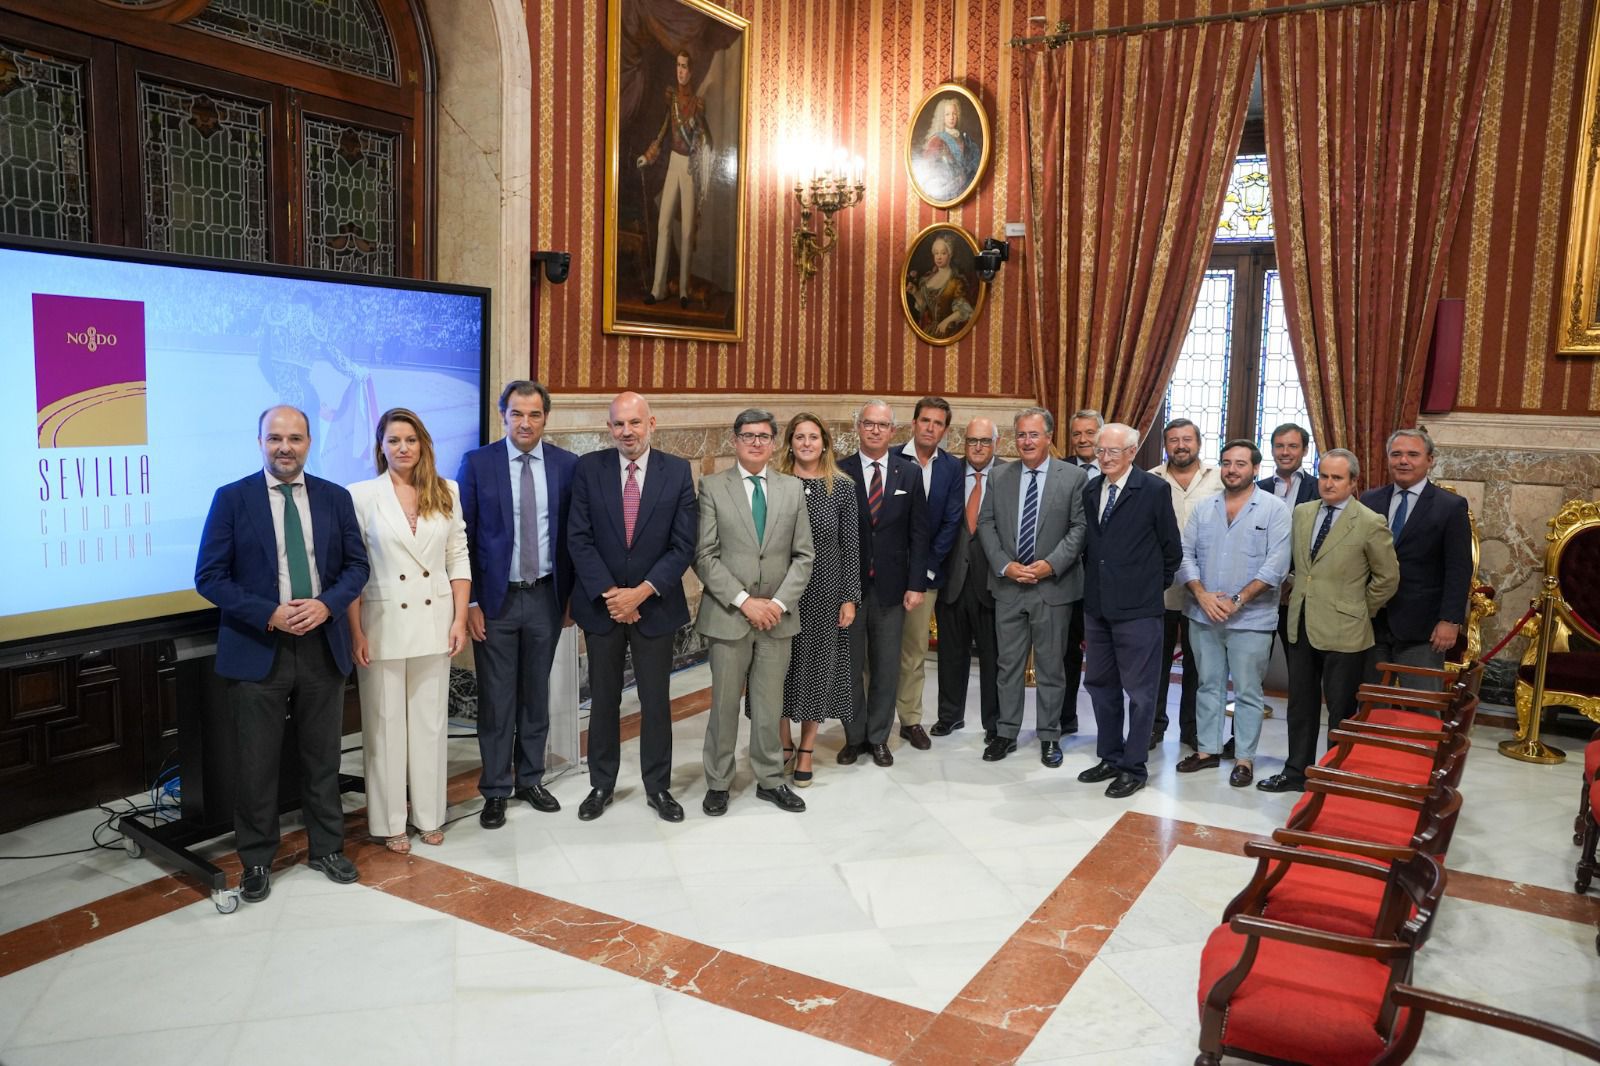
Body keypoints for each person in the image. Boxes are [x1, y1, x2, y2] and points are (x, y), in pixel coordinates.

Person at [194, 405, 369, 904]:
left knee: (322, 758)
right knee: (255, 765)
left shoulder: (335, 498)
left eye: (294, 438)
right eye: (275, 438)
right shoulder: (231, 499)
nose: (285, 447)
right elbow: (209, 577)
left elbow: (357, 567)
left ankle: (327, 849)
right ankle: (255, 860)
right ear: (260, 443)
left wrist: (327, 605)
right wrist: (268, 612)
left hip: (321, 645)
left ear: (309, 443)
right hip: (258, 647)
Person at [568, 392, 698, 820]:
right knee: (603, 700)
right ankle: (600, 785)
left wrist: (640, 592)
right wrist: (613, 595)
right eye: (619, 424)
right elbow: (579, 539)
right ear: (609, 428)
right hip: (603, 608)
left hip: (654, 607)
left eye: (635, 422)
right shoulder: (588, 469)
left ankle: (658, 787)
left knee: (655, 700)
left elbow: (682, 545)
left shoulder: (676, 471)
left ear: (651, 424)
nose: (627, 431)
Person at [346, 409, 471, 851]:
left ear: (423, 445)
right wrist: (356, 631)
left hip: (435, 619)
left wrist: (459, 618)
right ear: (381, 446)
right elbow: (353, 568)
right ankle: (389, 822)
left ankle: (430, 815)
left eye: (411, 440)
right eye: (394, 440)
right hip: (382, 622)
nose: (403, 448)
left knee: (430, 723)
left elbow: (458, 557)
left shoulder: (447, 490)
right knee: (384, 726)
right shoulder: (361, 495)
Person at [456, 381, 577, 830]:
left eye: (534, 414)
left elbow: (573, 538)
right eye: (517, 414)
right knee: (496, 699)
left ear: (546, 418)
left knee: (535, 695)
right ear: (502, 415)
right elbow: (463, 537)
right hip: (496, 602)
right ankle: (495, 789)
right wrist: (470, 602)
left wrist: (570, 598)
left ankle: (530, 779)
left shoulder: (566, 465)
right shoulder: (478, 463)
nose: (525, 423)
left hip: (546, 597)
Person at [1258, 449, 1399, 793]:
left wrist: (1360, 608)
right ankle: (1296, 772)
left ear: (1353, 482)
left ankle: (1334, 777)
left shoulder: (1370, 521)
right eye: (1324, 476)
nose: (1328, 483)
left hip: (1346, 629)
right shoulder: (1303, 512)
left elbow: (1388, 578)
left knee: (1341, 709)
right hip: (1301, 623)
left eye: (1337, 478)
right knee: (1300, 705)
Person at [694, 410, 814, 816]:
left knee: (768, 706)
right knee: (724, 706)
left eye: (764, 436)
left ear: (774, 442)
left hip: (778, 618)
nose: (756, 443)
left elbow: (804, 556)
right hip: (729, 616)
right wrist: (745, 601)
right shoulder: (713, 486)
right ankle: (718, 782)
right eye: (748, 435)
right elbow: (704, 555)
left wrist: (776, 604)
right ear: (735, 440)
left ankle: (771, 779)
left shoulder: (792, 489)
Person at [1174, 440, 1291, 788]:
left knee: (1248, 691)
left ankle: (1244, 759)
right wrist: (1202, 595)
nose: (1232, 470)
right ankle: (1207, 751)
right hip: (1203, 614)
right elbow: (1184, 555)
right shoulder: (1204, 508)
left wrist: (1237, 600)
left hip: (1252, 619)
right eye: (1226, 463)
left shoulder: (1273, 509)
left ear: (1255, 468)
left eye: (1240, 464)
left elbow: (1276, 566)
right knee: (1207, 685)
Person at [976, 408, 1087, 765]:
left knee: (1052, 667)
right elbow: (986, 523)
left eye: (1034, 434)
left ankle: (1050, 736)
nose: (1026, 441)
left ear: (1049, 437)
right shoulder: (1000, 476)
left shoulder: (1073, 477)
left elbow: (1079, 528)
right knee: (1007, 665)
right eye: (1021, 434)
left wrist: (1050, 565)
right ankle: (1006, 732)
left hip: (1053, 587)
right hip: (1009, 587)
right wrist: (1005, 566)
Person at [1077, 423, 1181, 799]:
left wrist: (1148, 588)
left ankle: (1134, 767)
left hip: (1139, 610)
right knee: (1100, 685)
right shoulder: (1091, 489)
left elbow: (1172, 550)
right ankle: (1110, 756)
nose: (1104, 458)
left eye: (1113, 451)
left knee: (1140, 692)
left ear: (1132, 452)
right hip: (1098, 606)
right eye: (1100, 451)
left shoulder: (1153, 489)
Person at [839, 400, 929, 767]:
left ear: (894, 431)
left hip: (892, 589)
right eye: (868, 423)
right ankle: (854, 737)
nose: (875, 430)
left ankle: (878, 737)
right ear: (858, 427)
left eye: (882, 425)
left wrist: (916, 584)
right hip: (848, 588)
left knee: (887, 667)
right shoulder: (839, 471)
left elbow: (919, 534)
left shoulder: (909, 474)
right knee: (849, 666)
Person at [776, 413, 860, 787]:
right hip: (780, 591)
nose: (807, 443)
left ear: (825, 442)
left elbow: (850, 546)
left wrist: (849, 597)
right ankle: (783, 743)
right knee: (777, 668)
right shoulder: (776, 482)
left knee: (816, 669)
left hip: (825, 590)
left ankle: (807, 748)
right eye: (799, 437)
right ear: (790, 443)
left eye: (813, 437)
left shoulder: (841, 487)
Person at [1359, 428, 1472, 686]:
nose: (1403, 461)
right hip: (1372, 623)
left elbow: (1458, 568)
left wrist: (1450, 620)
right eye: (1396, 454)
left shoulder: (1450, 506)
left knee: (1420, 704)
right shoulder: (1370, 500)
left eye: (1412, 454)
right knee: (1371, 703)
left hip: (1423, 629)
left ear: (1429, 460)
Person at [1148, 419, 1224, 752]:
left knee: (1199, 665)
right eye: (1174, 440)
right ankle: (1153, 727)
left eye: (1187, 439)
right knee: (1155, 665)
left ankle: (1192, 730)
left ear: (1199, 443)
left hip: (1203, 589)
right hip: (1159, 589)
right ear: (1166, 445)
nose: (1181, 445)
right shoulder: (1150, 478)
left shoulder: (1219, 479)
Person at [894, 397, 964, 750]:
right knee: (874, 653)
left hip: (925, 578)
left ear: (945, 430)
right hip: (885, 574)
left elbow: (951, 522)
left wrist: (925, 571)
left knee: (914, 652)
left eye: (938, 423)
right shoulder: (890, 458)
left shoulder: (952, 467)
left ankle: (910, 720)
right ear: (914, 423)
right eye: (925, 420)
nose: (930, 428)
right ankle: (869, 724)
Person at [933, 418, 1003, 741]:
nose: (977, 447)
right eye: (972, 440)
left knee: (993, 657)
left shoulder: (1007, 475)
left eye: (985, 441)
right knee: (950, 655)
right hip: (952, 580)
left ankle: (994, 723)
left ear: (996, 444)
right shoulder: (948, 471)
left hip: (992, 582)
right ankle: (949, 716)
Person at [636, 49, 711, 308]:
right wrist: (648, 156)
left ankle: (684, 291)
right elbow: (662, 131)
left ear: (691, 71)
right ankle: (658, 289)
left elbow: (704, 139)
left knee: (687, 230)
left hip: (689, 167)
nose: (680, 71)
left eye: (685, 66)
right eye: (678, 65)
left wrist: (699, 145)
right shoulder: (671, 99)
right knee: (663, 224)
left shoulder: (698, 104)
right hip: (673, 163)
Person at [1258, 422, 1320, 660]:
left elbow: (1321, 541)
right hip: (1259, 591)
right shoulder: (1257, 489)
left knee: (1300, 664)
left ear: (1305, 450)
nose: (1285, 452)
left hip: (1299, 592)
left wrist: (1293, 578)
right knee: (1254, 662)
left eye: (1292, 446)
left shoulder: (1319, 489)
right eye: (1279, 446)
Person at [1059, 408, 1102, 729]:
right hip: (1067, 573)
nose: (1083, 439)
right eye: (1077, 433)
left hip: (1104, 576)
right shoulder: (1059, 471)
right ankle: (1066, 716)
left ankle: (1107, 724)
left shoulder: (1116, 470)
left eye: (1090, 433)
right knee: (1066, 650)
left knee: (1104, 651)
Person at [905, 234, 975, 338]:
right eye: (936, 253)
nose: (939, 257)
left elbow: (964, 310)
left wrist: (946, 321)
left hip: (947, 332)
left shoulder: (955, 281)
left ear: (950, 254)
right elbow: (924, 307)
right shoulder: (926, 279)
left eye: (943, 253)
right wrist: (915, 293)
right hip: (927, 331)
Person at [916, 95, 981, 200]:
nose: (951, 117)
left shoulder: (964, 138)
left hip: (965, 187)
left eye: (954, 113)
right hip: (946, 187)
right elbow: (928, 167)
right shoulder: (936, 140)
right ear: (942, 117)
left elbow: (973, 161)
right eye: (947, 114)